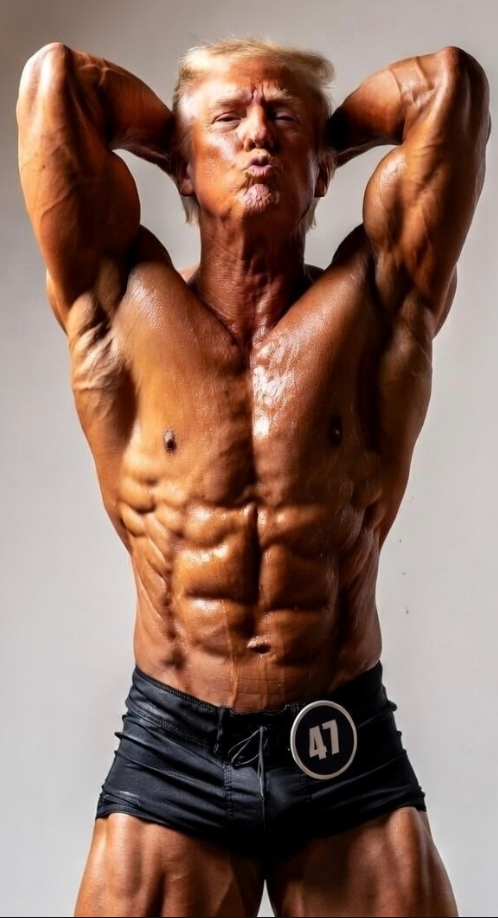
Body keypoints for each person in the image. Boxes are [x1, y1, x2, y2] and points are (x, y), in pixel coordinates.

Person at [17, 35, 490, 918]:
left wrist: (317, 145)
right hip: (175, 748)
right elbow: (57, 82)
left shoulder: (380, 300)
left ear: (324, 168)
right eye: (230, 119)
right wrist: (180, 141)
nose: (258, 134)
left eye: (284, 120)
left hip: (340, 740)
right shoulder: (118, 298)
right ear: (183, 166)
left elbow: (448, 87)